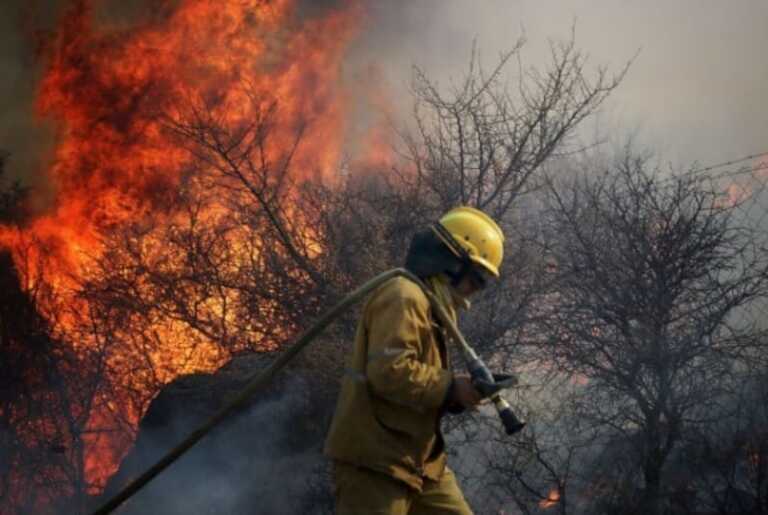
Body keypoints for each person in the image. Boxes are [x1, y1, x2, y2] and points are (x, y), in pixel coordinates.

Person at [324, 206, 505, 515]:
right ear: (451, 263)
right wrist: (451, 388)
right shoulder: (404, 296)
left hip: (420, 464)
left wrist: (461, 394)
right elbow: (388, 371)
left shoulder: (434, 307)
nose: (474, 291)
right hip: (375, 463)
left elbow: (419, 381)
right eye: (475, 280)